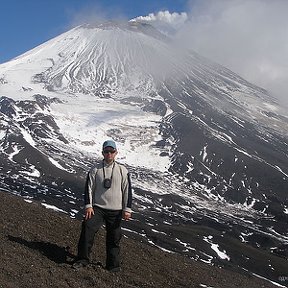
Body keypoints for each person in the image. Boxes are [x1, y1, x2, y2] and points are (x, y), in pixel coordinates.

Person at [73, 140, 132, 272]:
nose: (109, 154)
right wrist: (88, 206)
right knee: (87, 229)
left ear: (116, 153)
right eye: (106, 151)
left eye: (112, 151)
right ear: (102, 153)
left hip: (116, 210)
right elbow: (89, 188)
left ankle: (113, 266)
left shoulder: (123, 170)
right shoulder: (95, 169)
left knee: (114, 237)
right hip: (97, 208)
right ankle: (82, 259)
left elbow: (127, 190)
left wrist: (127, 209)